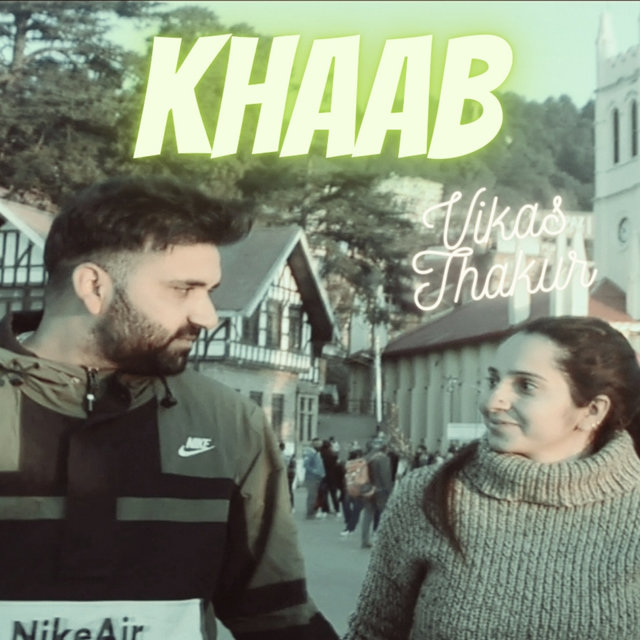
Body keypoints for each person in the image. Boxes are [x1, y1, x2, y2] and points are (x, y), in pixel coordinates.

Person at [0, 176, 338, 639]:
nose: (208, 317)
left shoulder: (230, 423)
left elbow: (277, 617)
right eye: (183, 289)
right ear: (93, 286)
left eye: (210, 291)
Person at [345, 316, 640, 639]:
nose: (491, 402)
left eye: (526, 386)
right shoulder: (428, 494)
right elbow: (372, 632)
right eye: (492, 380)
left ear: (593, 410)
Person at [360, 435, 393, 549]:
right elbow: (385, 477)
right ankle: (384, 541)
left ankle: (365, 540)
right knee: (385, 515)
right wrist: (390, 491)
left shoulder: (367, 457)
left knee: (368, 514)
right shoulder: (382, 458)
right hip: (380, 491)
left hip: (367, 489)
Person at [303, 437, 326, 519]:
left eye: (320, 444)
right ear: (314, 444)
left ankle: (313, 512)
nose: (320, 446)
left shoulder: (316, 453)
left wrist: (322, 473)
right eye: (318, 444)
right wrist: (315, 471)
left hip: (317, 478)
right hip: (311, 478)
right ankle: (310, 514)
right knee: (312, 496)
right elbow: (306, 465)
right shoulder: (310, 453)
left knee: (315, 496)